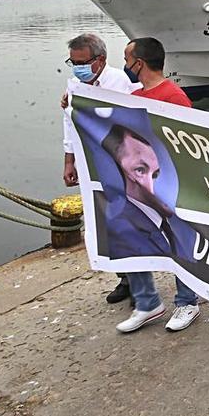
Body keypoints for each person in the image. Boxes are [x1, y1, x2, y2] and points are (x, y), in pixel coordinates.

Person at [109, 37, 203, 334]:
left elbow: (188, 140)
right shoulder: (134, 95)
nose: (125, 65)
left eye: (128, 59)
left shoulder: (172, 96)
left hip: (167, 182)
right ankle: (146, 301)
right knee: (131, 238)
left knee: (177, 240)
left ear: (140, 62)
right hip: (138, 184)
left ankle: (187, 300)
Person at [61, 32, 139, 305]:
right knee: (104, 220)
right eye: (73, 62)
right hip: (91, 160)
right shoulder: (74, 84)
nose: (77, 67)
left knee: (127, 220)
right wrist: (69, 160)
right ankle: (123, 277)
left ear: (100, 59)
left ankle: (138, 280)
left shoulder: (120, 81)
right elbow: (69, 124)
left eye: (82, 62)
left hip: (119, 162)